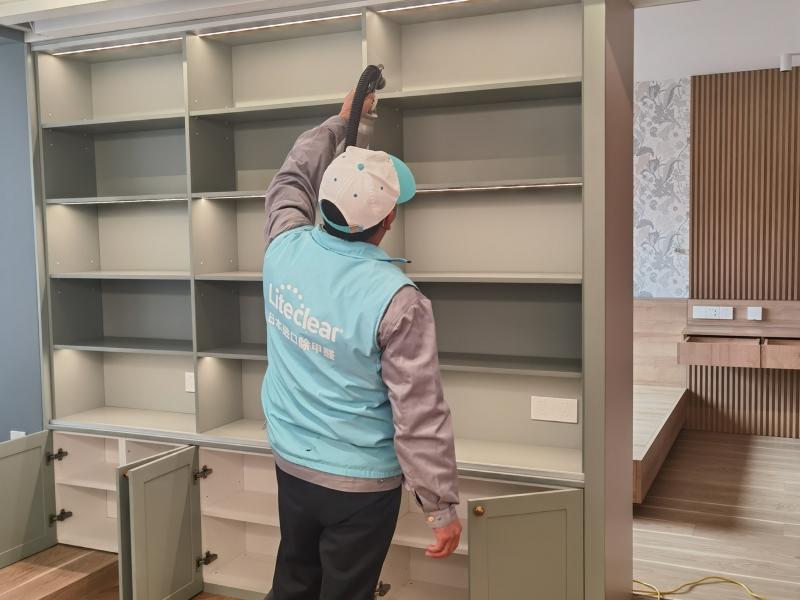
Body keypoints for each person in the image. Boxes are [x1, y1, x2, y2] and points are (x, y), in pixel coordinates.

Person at [261, 91, 461, 600]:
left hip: (292, 464)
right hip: (360, 487)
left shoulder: (282, 247)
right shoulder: (399, 301)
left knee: (293, 582)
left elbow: (290, 177)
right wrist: (439, 507)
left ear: (321, 199)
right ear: (388, 219)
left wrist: (341, 119)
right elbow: (418, 413)